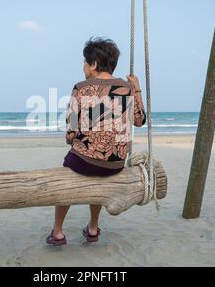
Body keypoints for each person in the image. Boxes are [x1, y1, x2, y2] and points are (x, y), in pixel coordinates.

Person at [46, 37, 146, 246]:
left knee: (67, 177)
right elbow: (140, 120)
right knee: (99, 173)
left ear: (93, 64)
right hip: (114, 164)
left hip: (84, 161)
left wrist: (72, 140)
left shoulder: (81, 88)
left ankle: (57, 232)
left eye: (85, 61)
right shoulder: (127, 88)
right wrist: (137, 89)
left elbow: (71, 129)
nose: (83, 66)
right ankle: (92, 228)